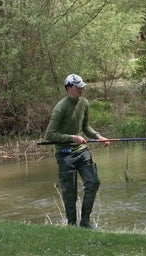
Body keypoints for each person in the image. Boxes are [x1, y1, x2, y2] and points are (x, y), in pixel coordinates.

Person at [45, 74, 110, 229]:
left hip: (82, 151)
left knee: (93, 182)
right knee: (70, 193)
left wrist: (98, 136)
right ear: (69, 88)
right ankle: (72, 225)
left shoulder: (84, 103)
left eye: (82, 86)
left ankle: (85, 222)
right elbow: (49, 134)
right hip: (65, 154)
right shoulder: (60, 108)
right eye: (78, 87)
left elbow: (86, 127)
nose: (82, 89)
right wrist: (72, 138)